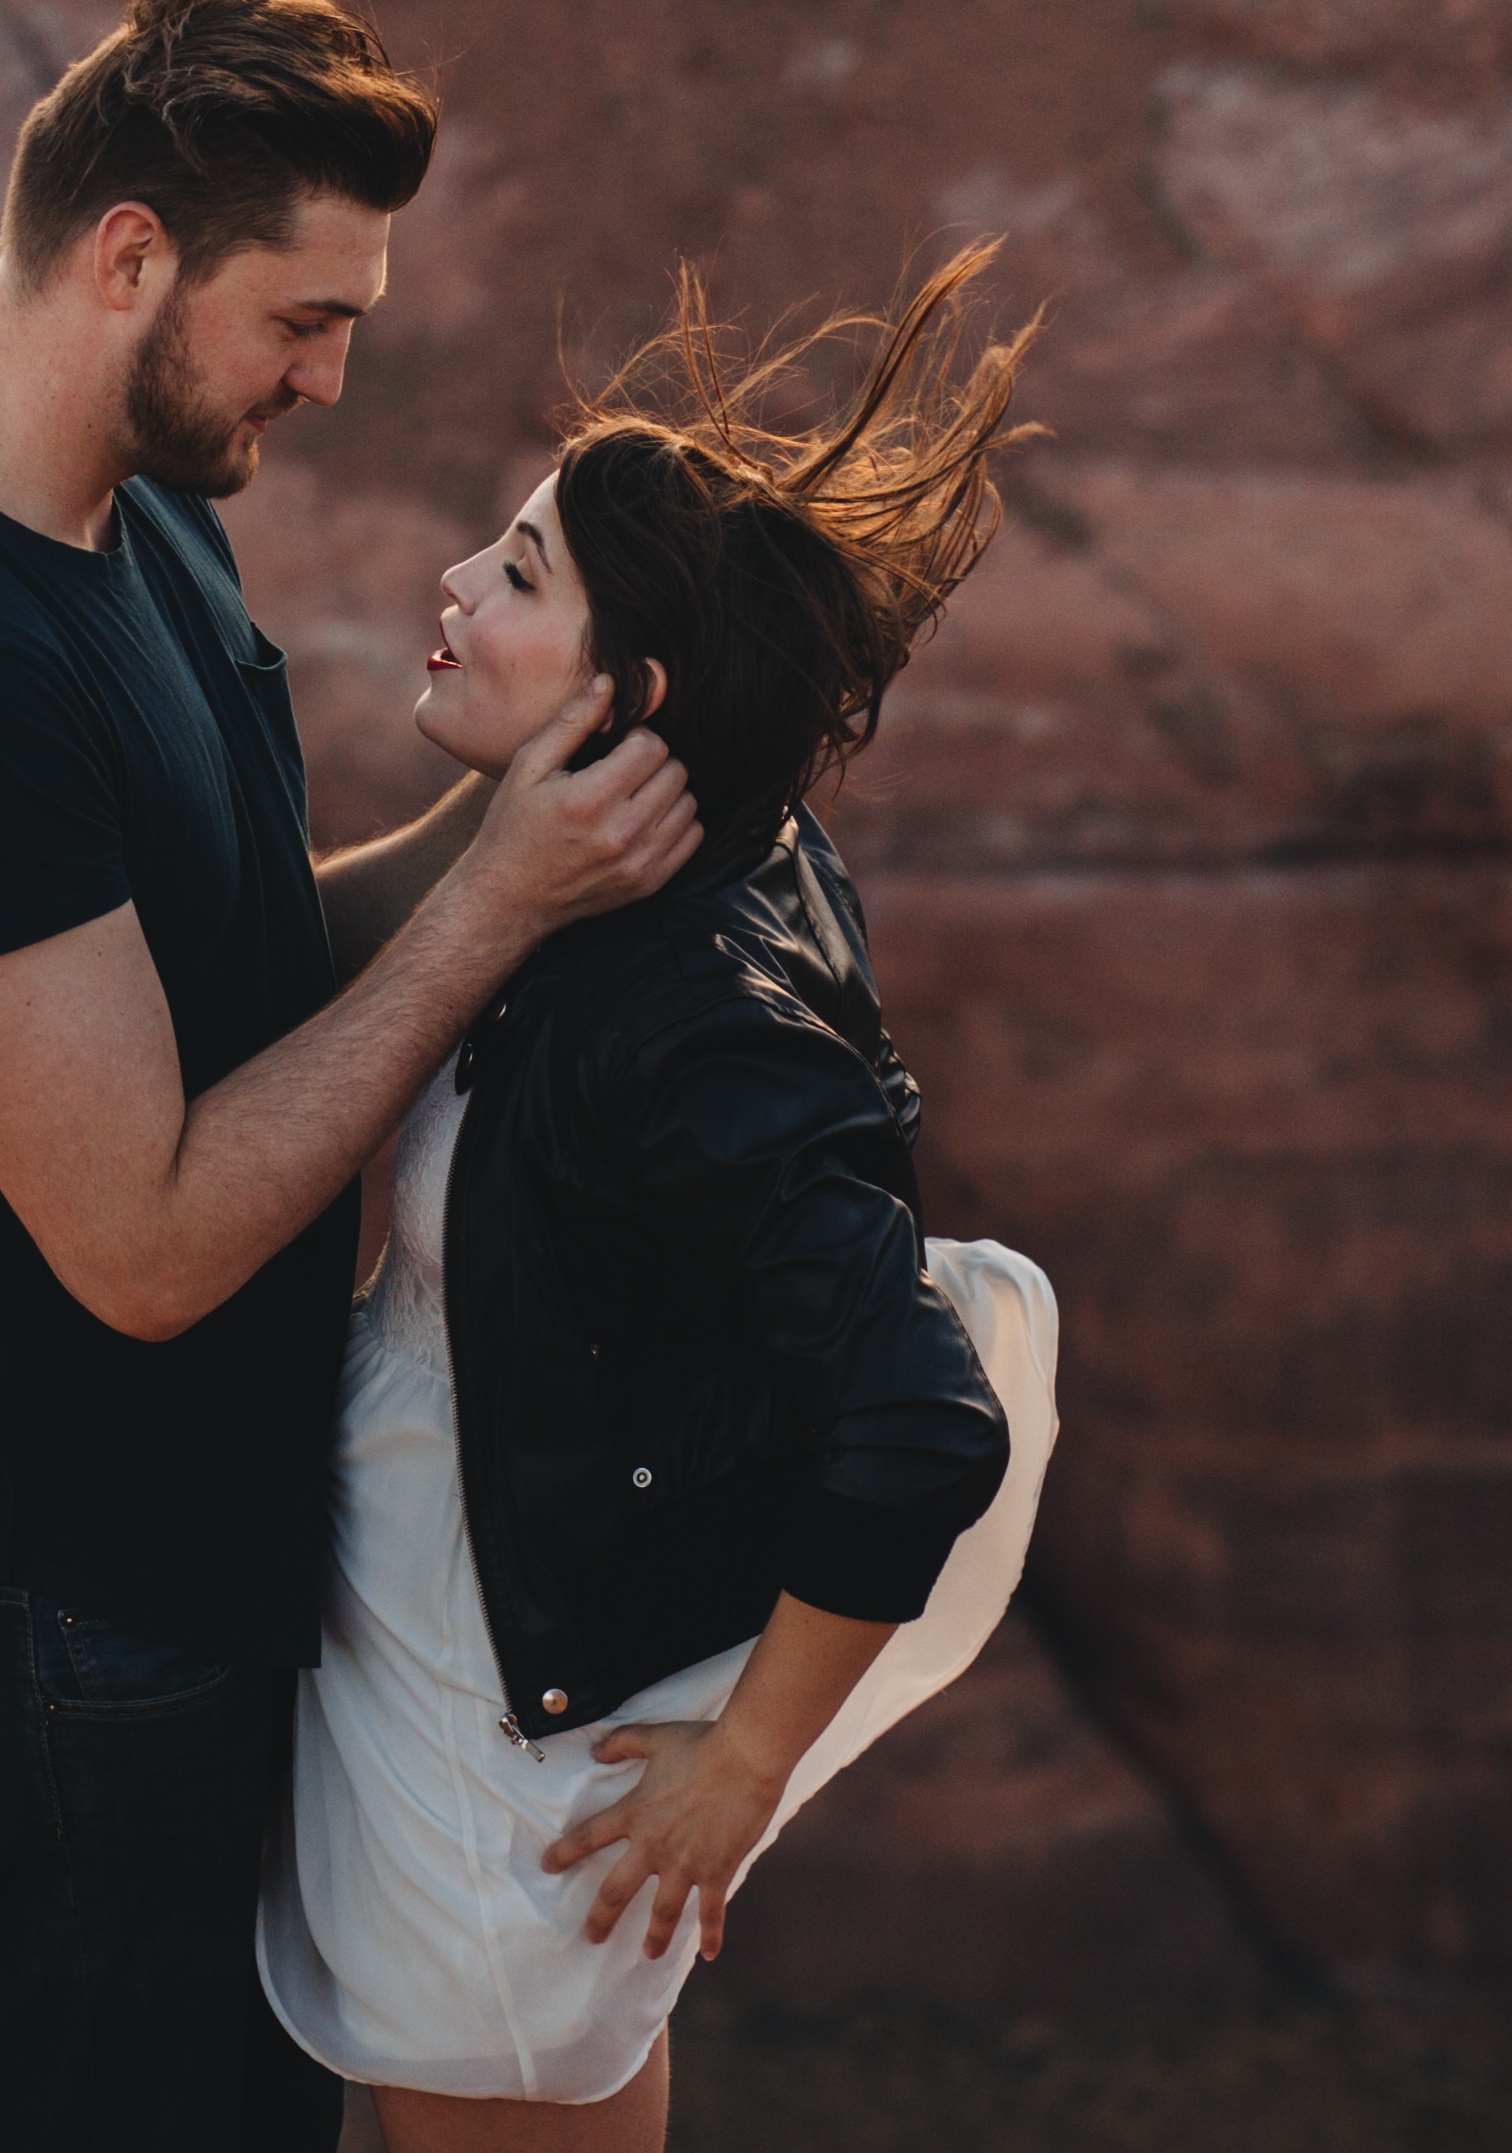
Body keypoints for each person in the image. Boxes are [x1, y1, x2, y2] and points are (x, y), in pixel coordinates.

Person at [0, 0, 707, 2152]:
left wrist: (529, 805)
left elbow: (251, 956)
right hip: (66, 1648)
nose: (331, 382)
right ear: (129, 256)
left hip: (196, 1594)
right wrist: (497, 904)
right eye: (306, 323)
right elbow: (150, 1241)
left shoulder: (128, 510)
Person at [261, 251, 1059, 2148]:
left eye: (518, 572)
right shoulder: (658, 870)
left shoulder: (695, 1014)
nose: (455, 587)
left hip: (508, 1782)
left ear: (632, 697)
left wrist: (746, 1768)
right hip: (448, 1707)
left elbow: (915, 1417)